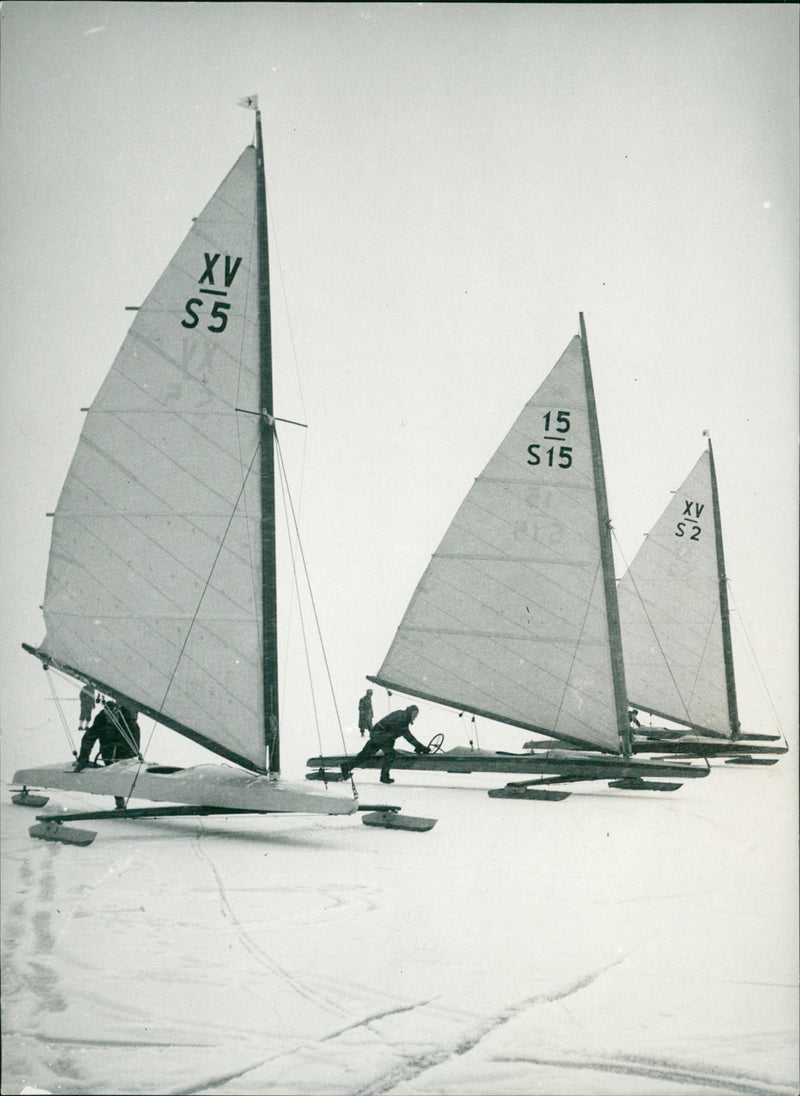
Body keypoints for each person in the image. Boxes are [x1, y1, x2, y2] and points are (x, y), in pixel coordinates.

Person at [74, 703, 141, 809]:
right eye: (108, 715)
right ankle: (120, 803)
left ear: (117, 711)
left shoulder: (126, 718)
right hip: (107, 752)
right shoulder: (101, 720)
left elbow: (135, 735)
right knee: (114, 777)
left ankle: (124, 797)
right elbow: (89, 738)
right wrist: (83, 758)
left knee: (122, 776)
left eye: (113, 714)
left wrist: (133, 752)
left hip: (125, 753)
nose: (110, 718)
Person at [341, 705, 430, 784]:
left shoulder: (401, 714)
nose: (415, 717)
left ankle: (346, 767)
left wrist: (419, 747)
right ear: (410, 712)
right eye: (414, 715)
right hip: (381, 737)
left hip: (377, 734)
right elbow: (407, 736)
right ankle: (384, 777)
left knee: (365, 755)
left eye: (416, 715)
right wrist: (421, 747)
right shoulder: (402, 719)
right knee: (391, 754)